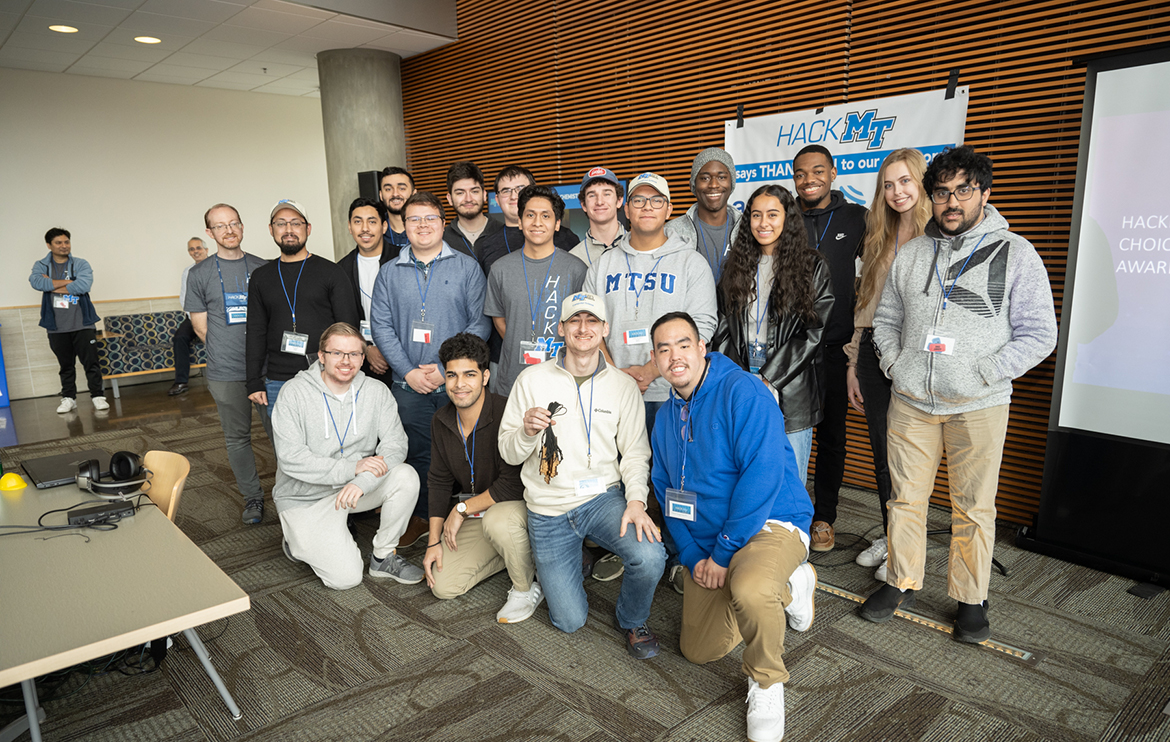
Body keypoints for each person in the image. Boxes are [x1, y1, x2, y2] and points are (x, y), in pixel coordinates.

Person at [861, 146, 1057, 643]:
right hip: (911, 401)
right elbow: (885, 321)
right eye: (942, 192)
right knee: (905, 499)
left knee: (973, 506)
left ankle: (971, 598)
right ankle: (901, 579)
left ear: (984, 194)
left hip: (978, 405)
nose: (951, 202)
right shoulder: (912, 254)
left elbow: (1039, 333)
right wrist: (895, 364)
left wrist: (987, 372)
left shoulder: (1016, 252)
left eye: (963, 191)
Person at [650, 311, 816, 742]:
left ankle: (766, 680)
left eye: (683, 344)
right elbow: (666, 488)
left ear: (702, 347)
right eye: (663, 349)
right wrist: (691, 555)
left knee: (750, 590)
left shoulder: (742, 391)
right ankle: (783, 586)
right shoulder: (667, 416)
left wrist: (722, 554)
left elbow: (761, 477)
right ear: (655, 358)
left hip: (768, 523)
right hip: (707, 537)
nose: (674, 356)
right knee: (697, 650)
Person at [499, 293, 666, 658]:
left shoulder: (623, 387)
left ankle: (631, 617)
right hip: (548, 508)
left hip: (600, 499)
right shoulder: (531, 379)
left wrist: (636, 501)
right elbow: (507, 452)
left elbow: (636, 453)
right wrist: (526, 432)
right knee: (569, 620)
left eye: (592, 321)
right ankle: (571, 562)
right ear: (561, 328)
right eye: (574, 320)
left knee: (652, 556)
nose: (583, 328)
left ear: (604, 330)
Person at [370, 190, 491, 545]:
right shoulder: (389, 272)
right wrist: (407, 371)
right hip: (408, 387)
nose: (423, 225)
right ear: (403, 226)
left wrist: (444, 369)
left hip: (458, 384)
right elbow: (381, 326)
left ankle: (473, 517)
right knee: (418, 454)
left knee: (471, 452)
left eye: (430, 218)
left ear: (443, 223)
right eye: (414, 219)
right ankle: (423, 516)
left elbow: (479, 323)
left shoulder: (467, 267)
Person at [272, 322, 424, 589]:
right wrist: (352, 468)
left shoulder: (376, 391)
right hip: (305, 497)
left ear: (363, 358)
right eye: (337, 353)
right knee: (345, 580)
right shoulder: (293, 393)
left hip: (353, 491)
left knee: (406, 476)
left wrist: (361, 480)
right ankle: (298, 540)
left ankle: (383, 556)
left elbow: (396, 445)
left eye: (354, 354)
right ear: (321, 356)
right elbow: (291, 457)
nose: (346, 361)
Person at [846, 149, 931, 582]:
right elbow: (866, 306)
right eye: (888, 184)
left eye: (905, 182)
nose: (897, 192)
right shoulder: (878, 236)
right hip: (874, 359)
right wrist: (853, 362)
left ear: (921, 183)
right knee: (883, 453)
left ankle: (907, 545)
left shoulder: (941, 236)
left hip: (920, 363)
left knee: (911, 458)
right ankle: (890, 534)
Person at [712, 184, 834, 486]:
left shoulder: (812, 265)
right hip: (743, 379)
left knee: (788, 481)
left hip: (789, 388)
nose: (763, 223)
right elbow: (723, 323)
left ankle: (790, 534)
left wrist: (769, 378)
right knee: (746, 476)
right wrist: (739, 379)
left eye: (772, 214)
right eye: (755, 215)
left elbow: (813, 332)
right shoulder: (736, 265)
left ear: (788, 218)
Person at [584, 172, 718, 435]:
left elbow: (703, 324)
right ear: (626, 210)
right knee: (621, 472)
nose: (647, 207)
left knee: (669, 474)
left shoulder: (692, 263)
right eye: (639, 200)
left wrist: (652, 369)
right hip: (614, 391)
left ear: (668, 209)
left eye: (656, 200)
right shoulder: (602, 266)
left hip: (673, 391)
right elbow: (590, 324)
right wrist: (615, 373)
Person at [422, 333, 543, 623]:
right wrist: (433, 542)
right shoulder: (441, 419)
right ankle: (517, 553)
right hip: (478, 514)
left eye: (469, 374)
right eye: (451, 375)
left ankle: (526, 587)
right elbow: (438, 481)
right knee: (443, 585)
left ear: (485, 376)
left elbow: (513, 484)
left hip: (517, 508)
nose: (459, 384)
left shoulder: (506, 412)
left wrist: (461, 508)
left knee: (498, 520)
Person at [791, 144, 868, 553]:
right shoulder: (784, 217)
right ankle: (789, 513)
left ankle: (824, 517)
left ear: (833, 173)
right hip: (793, 349)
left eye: (818, 171)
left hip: (837, 349)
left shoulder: (857, 218)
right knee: (789, 436)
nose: (809, 180)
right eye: (801, 173)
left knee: (832, 437)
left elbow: (876, 275)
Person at [186, 204, 272, 524]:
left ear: (242, 226)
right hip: (225, 372)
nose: (229, 230)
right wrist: (227, 351)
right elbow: (200, 326)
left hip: (267, 370)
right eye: (220, 226)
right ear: (210, 233)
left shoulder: (263, 268)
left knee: (283, 434)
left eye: (233, 223)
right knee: (237, 438)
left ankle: (295, 495)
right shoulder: (199, 274)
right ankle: (252, 498)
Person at [245, 199, 360, 416]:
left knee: (330, 443)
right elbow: (255, 331)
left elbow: (348, 328)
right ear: (271, 230)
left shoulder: (331, 272)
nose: (289, 230)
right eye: (281, 223)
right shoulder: (261, 277)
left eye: (296, 223)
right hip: (278, 379)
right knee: (285, 448)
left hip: (326, 375)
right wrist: (253, 381)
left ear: (308, 229)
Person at [484, 185, 587, 396]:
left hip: (563, 379)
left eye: (545, 216)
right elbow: (500, 320)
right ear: (520, 222)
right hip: (513, 381)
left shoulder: (576, 269)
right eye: (530, 215)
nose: (537, 222)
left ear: (557, 224)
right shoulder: (500, 269)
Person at [29, 227, 107, 413]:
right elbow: (37, 283)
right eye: (59, 243)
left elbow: (84, 285)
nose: (64, 246)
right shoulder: (41, 265)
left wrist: (52, 284)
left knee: (91, 363)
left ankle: (98, 396)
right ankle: (68, 398)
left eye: (66, 242)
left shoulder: (81, 264)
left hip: (82, 323)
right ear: (49, 245)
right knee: (66, 366)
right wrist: (70, 283)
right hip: (56, 326)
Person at [477, 165, 581, 276]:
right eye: (506, 191)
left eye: (520, 189)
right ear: (497, 199)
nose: (514, 196)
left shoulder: (566, 237)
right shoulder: (486, 246)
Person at [336, 197, 394, 389]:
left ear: (384, 226)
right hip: (359, 358)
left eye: (372, 221)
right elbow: (339, 318)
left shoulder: (402, 260)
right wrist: (366, 348)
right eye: (358, 221)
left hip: (401, 357)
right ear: (350, 227)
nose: (365, 228)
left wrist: (387, 349)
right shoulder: (340, 270)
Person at [665, 147, 742, 281]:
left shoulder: (747, 228)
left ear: (732, 183)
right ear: (693, 185)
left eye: (721, 177)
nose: (713, 185)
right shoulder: (671, 231)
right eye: (705, 178)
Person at [169, 237, 209, 396]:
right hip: (194, 315)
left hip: (216, 316)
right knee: (179, 338)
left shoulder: (216, 267)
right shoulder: (188, 272)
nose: (195, 251)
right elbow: (184, 297)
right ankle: (181, 382)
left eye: (198, 248)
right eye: (191, 249)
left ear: (206, 250)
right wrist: (195, 319)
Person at [443, 161, 503, 260]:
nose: (468, 199)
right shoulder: (443, 240)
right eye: (460, 193)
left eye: (474, 191)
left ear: (484, 195)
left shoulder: (502, 232)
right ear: (449, 199)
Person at [570, 166, 626, 267]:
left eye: (607, 194)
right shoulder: (573, 258)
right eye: (592, 195)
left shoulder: (639, 246)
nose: (599, 202)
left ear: (619, 201)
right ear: (583, 205)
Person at [379, 166, 416, 256]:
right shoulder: (375, 231)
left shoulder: (427, 228)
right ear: (380, 195)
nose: (395, 194)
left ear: (413, 193)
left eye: (402, 188)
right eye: (388, 189)